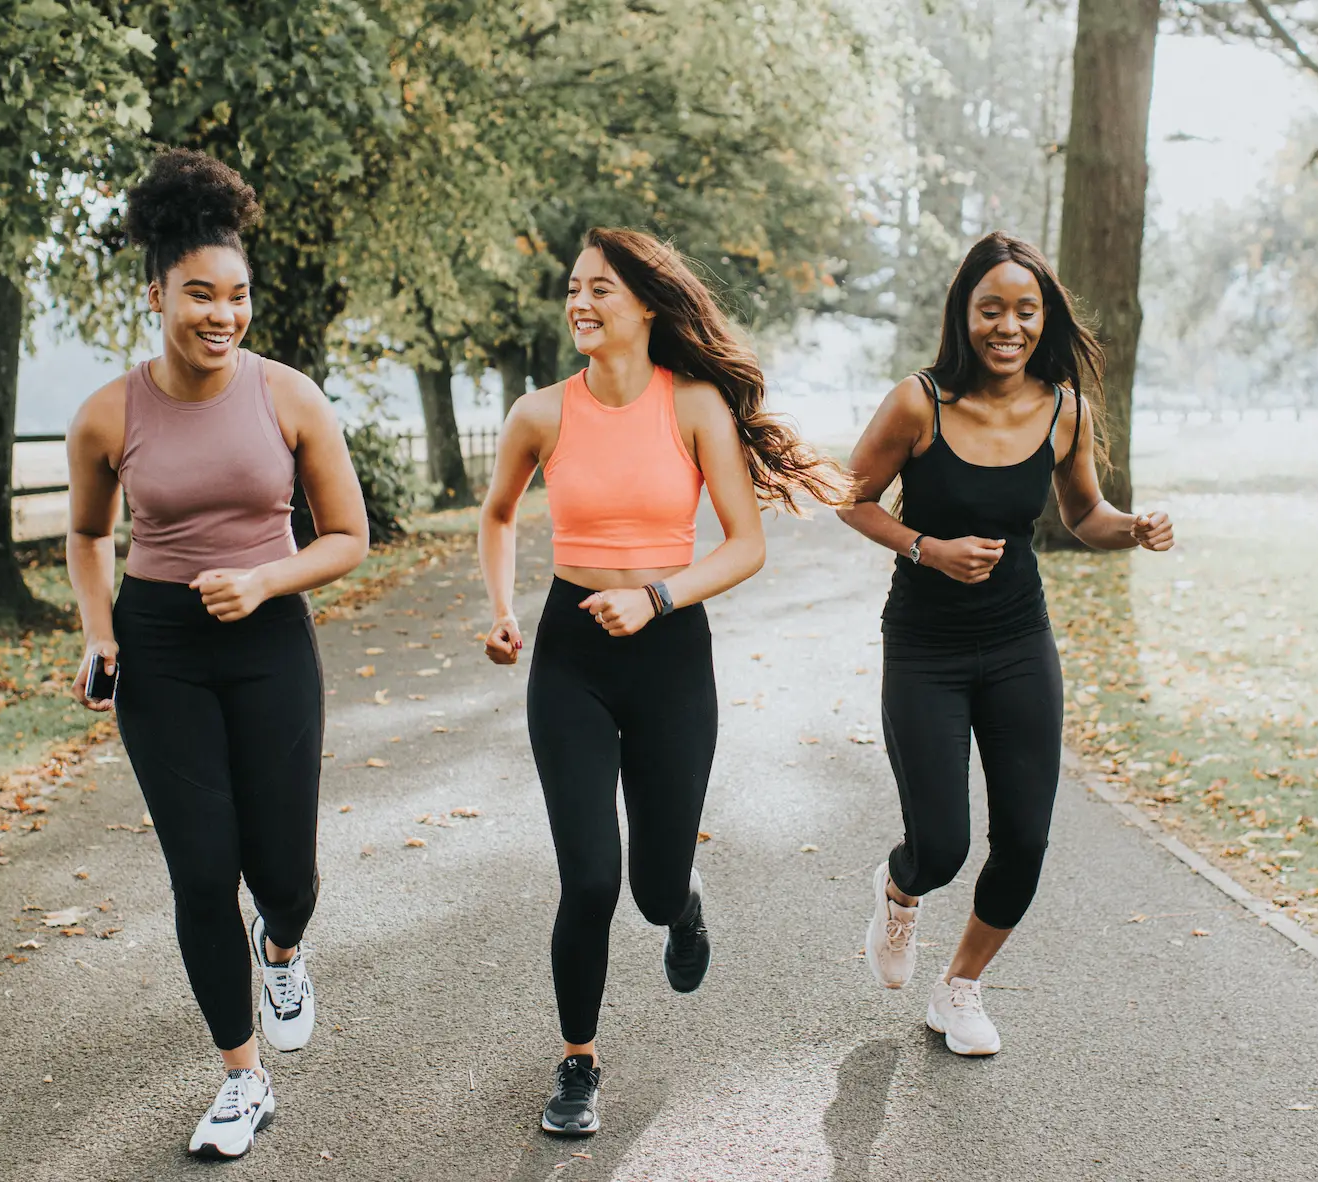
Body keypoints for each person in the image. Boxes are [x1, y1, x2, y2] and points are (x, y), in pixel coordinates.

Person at [478, 227, 846, 1136]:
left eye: (601, 289)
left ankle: (682, 905)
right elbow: (496, 515)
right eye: (572, 288)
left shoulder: (695, 407)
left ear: (646, 303)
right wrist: (501, 609)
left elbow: (745, 544)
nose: (580, 303)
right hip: (571, 656)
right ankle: (577, 1063)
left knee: (648, 887)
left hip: (671, 653)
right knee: (591, 879)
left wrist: (656, 597)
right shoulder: (540, 413)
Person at [65, 149, 368, 1157]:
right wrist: (101, 633)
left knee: (285, 871)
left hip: (270, 639)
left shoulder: (289, 396)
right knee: (201, 870)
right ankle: (242, 1079)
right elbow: (85, 532)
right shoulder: (109, 414)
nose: (222, 315)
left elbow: (348, 537)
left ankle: (281, 947)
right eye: (200, 294)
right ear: (156, 295)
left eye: (237, 296)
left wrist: (267, 579)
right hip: (163, 650)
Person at [838, 231, 1174, 1056]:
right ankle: (900, 886)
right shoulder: (920, 402)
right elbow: (851, 498)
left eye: (1026, 310)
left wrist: (1132, 528)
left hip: (1020, 640)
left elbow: (1083, 515)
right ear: (965, 314)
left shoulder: (1065, 409)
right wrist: (927, 547)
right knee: (943, 845)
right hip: (925, 648)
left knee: (1025, 837)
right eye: (992, 308)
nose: (1009, 325)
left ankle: (960, 990)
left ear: (1044, 317)